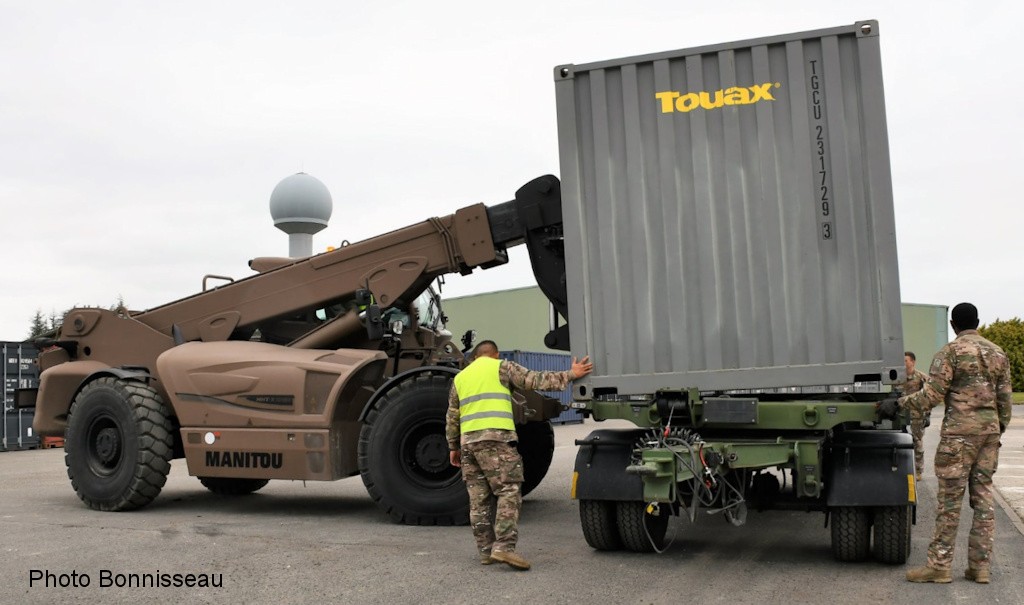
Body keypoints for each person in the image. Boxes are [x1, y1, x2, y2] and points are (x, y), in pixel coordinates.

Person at [889, 303, 1012, 584]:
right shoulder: (998, 353)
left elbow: (931, 395)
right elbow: (1005, 398)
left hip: (958, 437)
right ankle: (980, 567)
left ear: (954, 324)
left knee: (949, 502)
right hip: (988, 436)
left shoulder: (950, 352)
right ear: (978, 322)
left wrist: (897, 404)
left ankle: (940, 566)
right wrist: (996, 429)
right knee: (983, 500)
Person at [445, 340, 593, 571]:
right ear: (494, 355)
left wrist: (453, 446)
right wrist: (571, 374)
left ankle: (485, 552)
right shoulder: (501, 367)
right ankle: (504, 547)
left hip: (468, 445)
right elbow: (536, 380)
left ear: (474, 357)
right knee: (509, 490)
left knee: (479, 501)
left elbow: (452, 415)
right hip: (496, 440)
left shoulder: (460, 378)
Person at [894, 351, 930, 480]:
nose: (903, 364)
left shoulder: (922, 377)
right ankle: (900, 468)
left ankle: (919, 470)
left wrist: (928, 415)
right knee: (898, 440)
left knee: (917, 442)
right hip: (901, 415)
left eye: (905, 361)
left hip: (917, 416)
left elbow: (929, 397)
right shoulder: (898, 378)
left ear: (913, 362)